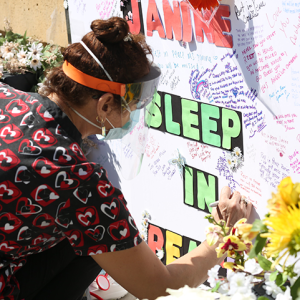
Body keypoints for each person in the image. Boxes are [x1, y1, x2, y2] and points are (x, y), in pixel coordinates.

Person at [0, 17, 252, 300]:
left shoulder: (6, 96)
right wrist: (222, 236)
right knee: (98, 241)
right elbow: (158, 286)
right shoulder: (77, 179)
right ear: (105, 104)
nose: (134, 115)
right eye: (135, 104)